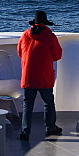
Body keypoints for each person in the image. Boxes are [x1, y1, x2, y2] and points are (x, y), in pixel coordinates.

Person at [17, 10, 64, 141]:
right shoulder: (50, 36)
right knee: (48, 103)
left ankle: (25, 132)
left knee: (27, 104)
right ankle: (50, 128)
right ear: (45, 23)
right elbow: (57, 56)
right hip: (44, 75)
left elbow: (20, 52)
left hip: (28, 76)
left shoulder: (25, 35)